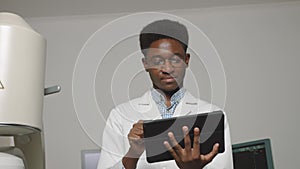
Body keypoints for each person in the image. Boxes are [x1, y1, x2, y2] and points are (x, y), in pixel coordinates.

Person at [98, 19, 233, 169]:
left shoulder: (212, 115)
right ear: (145, 64)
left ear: (186, 60)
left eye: (175, 59)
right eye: (157, 61)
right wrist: (133, 153)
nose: (167, 68)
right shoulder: (120, 116)